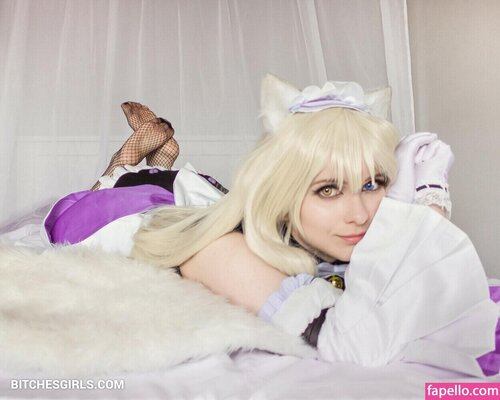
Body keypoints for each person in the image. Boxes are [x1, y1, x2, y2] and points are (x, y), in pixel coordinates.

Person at [43, 74, 498, 377]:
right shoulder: (220, 252)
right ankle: (132, 157)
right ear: (284, 194)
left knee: (200, 189)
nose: (361, 214)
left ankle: (163, 153)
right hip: (120, 210)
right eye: (328, 190)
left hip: (210, 202)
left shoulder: (312, 228)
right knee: (116, 182)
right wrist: (427, 212)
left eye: (373, 184)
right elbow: (345, 344)